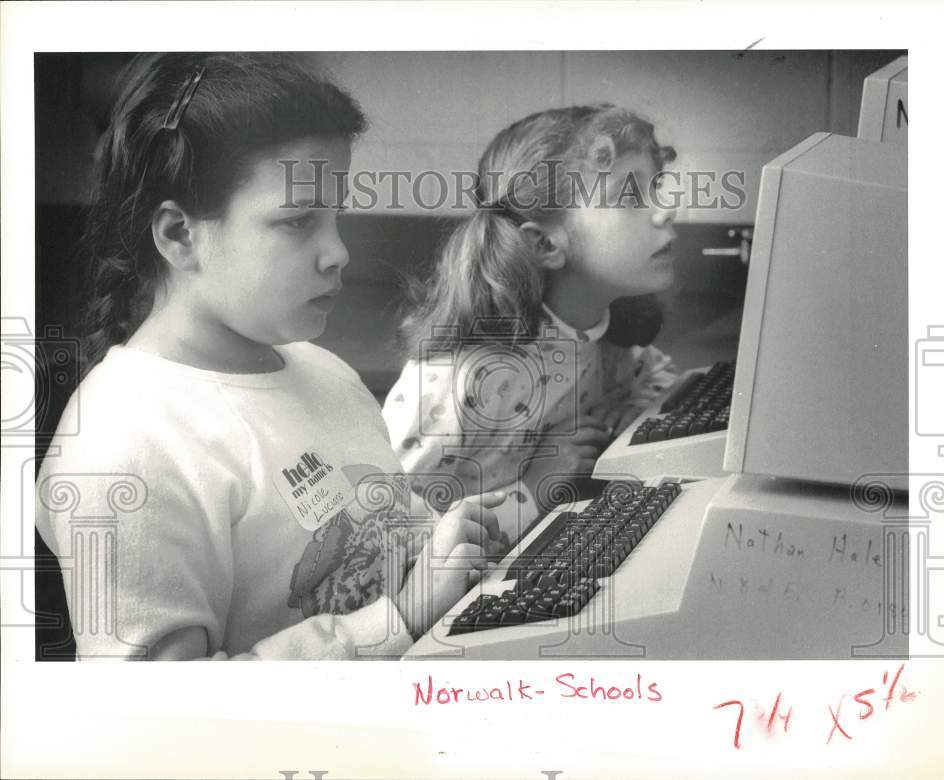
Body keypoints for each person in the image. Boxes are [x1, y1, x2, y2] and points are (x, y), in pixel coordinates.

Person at [35, 53, 504, 661]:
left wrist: (453, 544)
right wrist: (403, 616)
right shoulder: (122, 444)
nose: (337, 252)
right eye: (297, 221)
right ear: (179, 234)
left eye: (335, 217)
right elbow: (167, 725)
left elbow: (393, 552)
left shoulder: (322, 370)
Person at [382, 105, 679, 535]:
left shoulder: (605, 339)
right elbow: (382, 534)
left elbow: (654, 379)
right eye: (631, 196)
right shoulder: (458, 382)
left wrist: (627, 422)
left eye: (658, 187)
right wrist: (533, 491)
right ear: (543, 244)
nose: (665, 210)